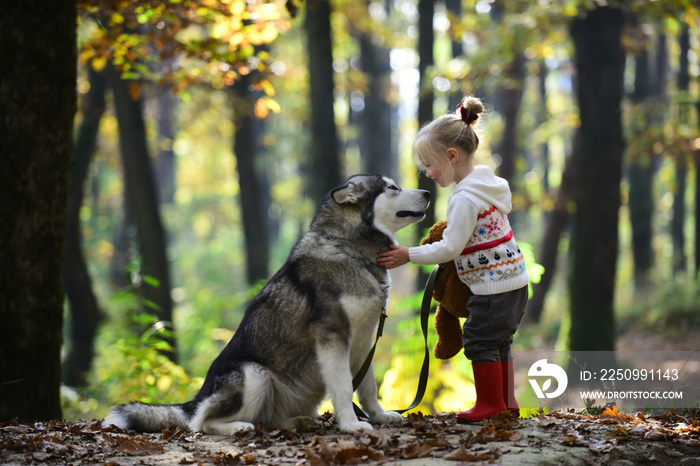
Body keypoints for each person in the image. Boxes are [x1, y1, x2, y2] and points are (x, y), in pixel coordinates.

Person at [377, 96, 529, 423]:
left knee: (479, 341)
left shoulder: (465, 198)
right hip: (514, 281)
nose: (428, 173)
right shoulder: (487, 185)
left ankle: (490, 403)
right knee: (500, 341)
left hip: (493, 287)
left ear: (451, 156)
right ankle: (506, 400)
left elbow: (450, 248)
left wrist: (409, 254)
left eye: (429, 165)